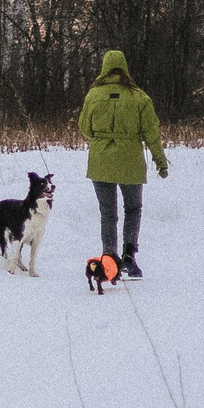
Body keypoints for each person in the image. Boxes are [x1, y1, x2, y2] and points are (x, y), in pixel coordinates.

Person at [79, 49, 168, 278]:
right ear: (125, 68)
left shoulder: (93, 96)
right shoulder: (139, 97)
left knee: (108, 213)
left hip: (101, 162)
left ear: (104, 69)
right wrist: (161, 162)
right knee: (133, 209)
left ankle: (109, 258)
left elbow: (84, 128)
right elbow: (152, 133)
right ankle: (129, 256)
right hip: (130, 161)